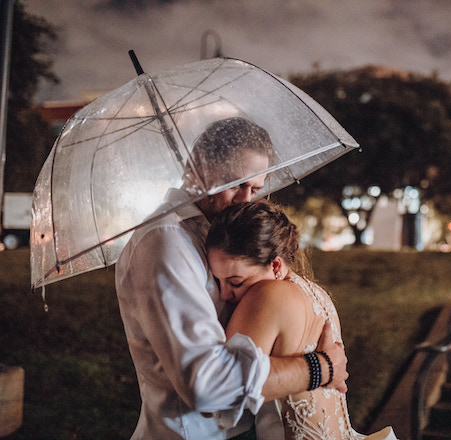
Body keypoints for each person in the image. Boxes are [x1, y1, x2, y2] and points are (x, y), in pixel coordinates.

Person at [115, 117, 348, 440]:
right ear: (198, 167)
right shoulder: (166, 243)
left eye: (255, 188)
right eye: (237, 184)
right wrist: (318, 368)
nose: (245, 200)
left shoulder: (216, 233)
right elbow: (207, 386)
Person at [206, 200, 398, 440]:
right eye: (217, 282)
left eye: (235, 282)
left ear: (275, 265)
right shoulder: (318, 294)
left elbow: (219, 396)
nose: (225, 294)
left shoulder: (266, 294)